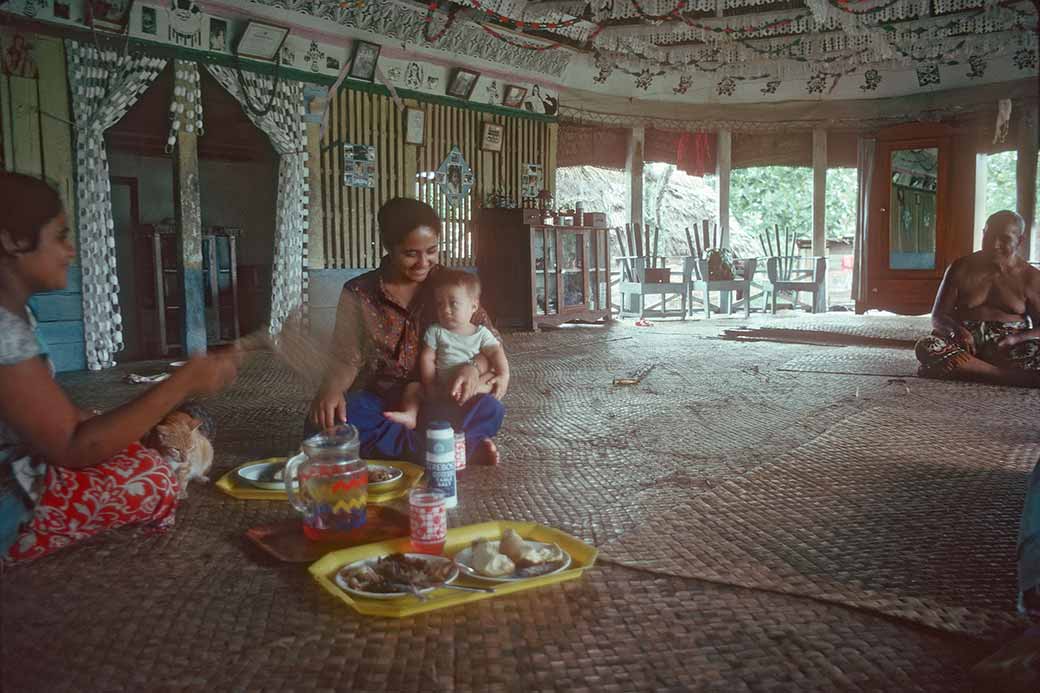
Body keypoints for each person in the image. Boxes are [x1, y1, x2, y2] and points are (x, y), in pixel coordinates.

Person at [0, 173, 239, 565]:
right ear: (12, 241)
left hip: (26, 458)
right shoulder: (4, 329)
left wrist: (108, 425)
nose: (71, 250)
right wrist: (183, 381)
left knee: (137, 445)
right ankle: (21, 533)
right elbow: (74, 446)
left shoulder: (18, 316)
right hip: (9, 495)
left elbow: (57, 413)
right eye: (60, 236)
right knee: (155, 477)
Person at [308, 197, 506, 464]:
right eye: (411, 254)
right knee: (329, 420)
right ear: (389, 247)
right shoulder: (359, 292)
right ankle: (454, 447)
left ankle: (423, 447)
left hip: (442, 393)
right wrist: (331, 390)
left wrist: (473, 367)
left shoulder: (451, 285)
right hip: (384, 400)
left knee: (490, 408)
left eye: (432, 250)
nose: (424, 262)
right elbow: (347, 357)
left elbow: (489, 341)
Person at [915, 210, 1040, 387]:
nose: (995, 245)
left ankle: (969, 370)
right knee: (926, 346)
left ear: (1020, 241)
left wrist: (1015, 340)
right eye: (989, 237)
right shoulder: (960, 268)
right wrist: (956, 331)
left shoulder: (1032, 277)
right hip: (963, 344)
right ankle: (1004, 376)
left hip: (1007, 348)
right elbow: (938, 317)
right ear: (983, 234)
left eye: (1004, 239)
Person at [384, 269, 509, 434]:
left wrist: (504, 374)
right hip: (441, 388)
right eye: (440, 304)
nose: (446, 310)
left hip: (472, 389)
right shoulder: (436, 331)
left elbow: (496, 353)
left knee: (492, 400)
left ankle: (469, 437)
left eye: (453, 303)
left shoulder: (481, 333)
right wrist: (429, 384)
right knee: (413, 388)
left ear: (474, 306)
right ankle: (410, 415)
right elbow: (427, 357)